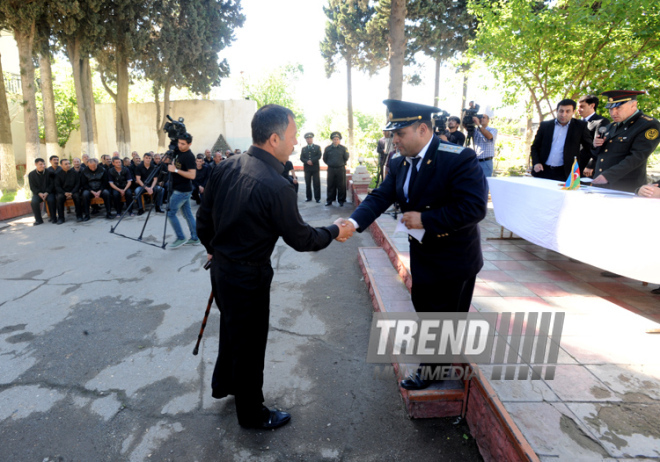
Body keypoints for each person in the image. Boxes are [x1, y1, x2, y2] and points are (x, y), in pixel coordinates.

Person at [196, 104, 353, 430]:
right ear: (273, 139)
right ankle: (252, 414)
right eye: (292, 137)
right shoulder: (275, 184)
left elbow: (203, 221)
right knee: (249, 344)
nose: (295, 144)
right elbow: (301, 237)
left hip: (221, 270)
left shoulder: (225, 166)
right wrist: (336, 231)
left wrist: (215, 250)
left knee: (232, 331)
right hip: (247, 276)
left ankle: (224, 384)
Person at [344, 99, 488, 390]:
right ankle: (441, 355)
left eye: (399, 134)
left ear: (423, 129)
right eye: (392, 134)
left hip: (454, 255)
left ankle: (434, 370)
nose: (393, 140)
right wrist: (353, 223)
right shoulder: (399, 162)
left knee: (444, 314)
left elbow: (474, 207)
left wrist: (426, 219)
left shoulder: (457, 158)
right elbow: (380, 196)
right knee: (425, 305)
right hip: (423, 251)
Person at [591, 90, 660, 192]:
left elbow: (637, 157)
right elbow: (601, 156)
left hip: (625, 188)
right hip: (602, 186)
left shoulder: (647, 124)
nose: (613, 113)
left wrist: (608, 176)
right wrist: (596, 145)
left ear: (633, 105)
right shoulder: (612, 126)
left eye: (618, 107)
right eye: (611, 108)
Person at [531, 99, 587, 181]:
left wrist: (578, 166)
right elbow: (535, 147)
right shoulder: (545, 126)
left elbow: (587, 149)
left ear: (573, 112)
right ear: (557, 111)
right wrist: (536, 162)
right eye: (561, 111)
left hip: (565, 173)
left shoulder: (580, 127)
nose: (563, 114)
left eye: (568, 111)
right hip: (543, 170)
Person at [167, 133, 200, 248]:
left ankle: (181, 238)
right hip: (180, 188)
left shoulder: (189, 156)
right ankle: (195, 238)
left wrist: (175, 170)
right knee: (188, 215)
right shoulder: (178, 151)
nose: (180, 145)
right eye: (179, 143)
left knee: (170, 213)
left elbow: (192, 175)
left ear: (189, 144)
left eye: (183, 144)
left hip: (182, 190)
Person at [577, 95, 610, 176]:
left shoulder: (601, 121)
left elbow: (599, 146)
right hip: (573, 165)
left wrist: (591, 164)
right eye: (578, 107)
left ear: (592, 106)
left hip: (586, 168)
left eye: (582, 106)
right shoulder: (576, 122)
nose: (578, 109)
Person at [323, 131, 349, 206]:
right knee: (331, 184)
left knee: (341, 185)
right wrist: (331, 163)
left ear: (339, 140)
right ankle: (330, 200)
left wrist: (340, 163)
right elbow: (325, 158)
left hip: (340, 169)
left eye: (337, 139)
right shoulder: (328, 149)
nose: (336, 141)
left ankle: (341, 200)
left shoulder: (343, 148)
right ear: (332, 140)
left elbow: (346, 157)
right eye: (334, 139)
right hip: (331, 169)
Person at [28, 158, 56, 225]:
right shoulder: (31, 174)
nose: (42, 166)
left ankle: (53, 217)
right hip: (38, 193)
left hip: (48, 192)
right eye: (40, 164)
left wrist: (47, 192)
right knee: (34, 202)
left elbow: (52, 184)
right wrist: (39, 193)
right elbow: (32, 186)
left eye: (44, 164)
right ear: (36, 164)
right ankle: (38, 220)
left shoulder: (49, 173)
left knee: (51, 200)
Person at [470, 114, 498, 178]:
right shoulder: (475, 130)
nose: (481, 119)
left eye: (484, 118)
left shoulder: (493, 130)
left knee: (485, 182)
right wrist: (469, 115)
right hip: (475, 161)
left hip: (486, 162)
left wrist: (479, 125)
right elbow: (465, 125)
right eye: (480, 117)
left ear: (488, 121)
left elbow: (489, 136)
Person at [54, 158, 81, 223]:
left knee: (77, 197)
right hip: (63, 192)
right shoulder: (58, 174)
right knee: (59, 198)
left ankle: (79, 216)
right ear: (61, 165)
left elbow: (78, 184)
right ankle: (61, 218)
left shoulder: (75, 173)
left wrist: (72, 192)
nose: (68, 165)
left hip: (73, 191)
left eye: (69, 163)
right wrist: (64, 193)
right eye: (66, 164)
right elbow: (57, 186)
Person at [299, 132, 322, 202]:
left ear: (312, 139)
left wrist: (312, 160)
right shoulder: (304, 149)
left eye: (310, 138)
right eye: (307, 139)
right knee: (308, 183)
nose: (309, 140)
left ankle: (317, 198)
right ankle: (308, 197)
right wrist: (307, 161)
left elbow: (319, 155)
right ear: (306, 140)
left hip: (315, 167)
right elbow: (301, 157)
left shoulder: (317, 147)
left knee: (316, 183)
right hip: (307, 168)